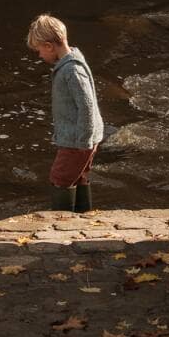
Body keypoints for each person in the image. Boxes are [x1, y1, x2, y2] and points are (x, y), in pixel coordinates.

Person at [27, 12, 104, 213]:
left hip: (77, 139)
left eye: (39, 51)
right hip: (81, 137)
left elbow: (87, 106)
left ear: (49, 46)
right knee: (79, 176)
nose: (39, 55)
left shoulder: (72, 71)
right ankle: (82, 217)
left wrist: (84, 142)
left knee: (60, 178)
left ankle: (62, 224)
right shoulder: (72, 60)